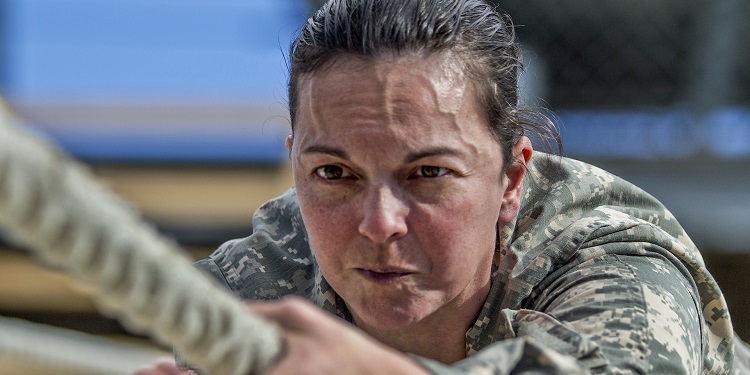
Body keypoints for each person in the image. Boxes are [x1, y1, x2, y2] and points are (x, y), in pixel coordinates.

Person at [138, 0, 750, 373]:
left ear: (511, 179)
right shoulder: (258, 289)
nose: (378, 224)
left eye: (428, 174)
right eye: (333, 173)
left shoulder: (610, 261)